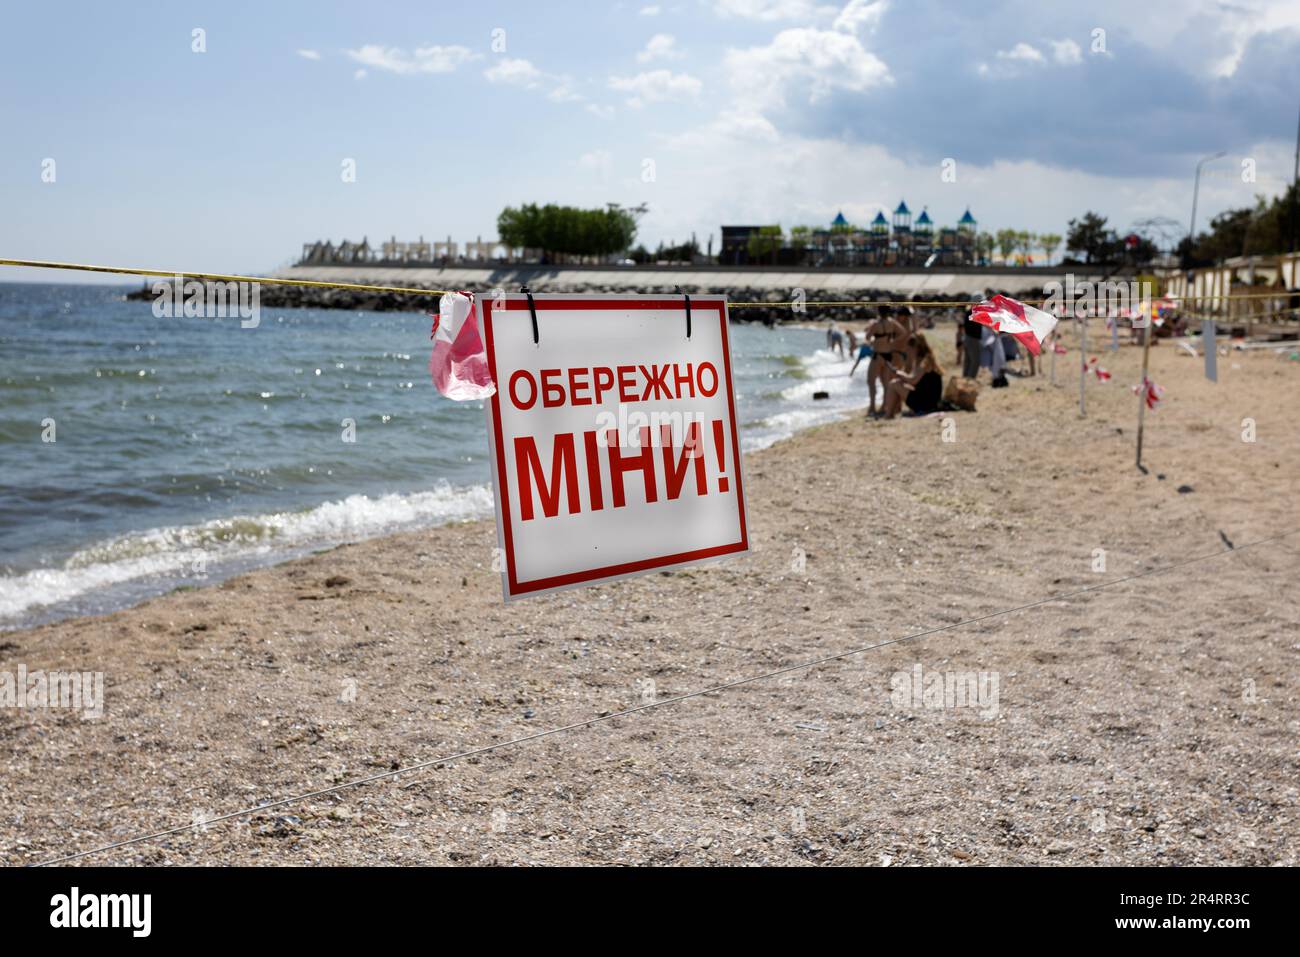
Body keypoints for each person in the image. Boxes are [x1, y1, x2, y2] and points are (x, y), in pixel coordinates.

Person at [884, 334, 944, 418]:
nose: (907, 351)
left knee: (894, 384)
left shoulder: (924, 362)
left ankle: (889, 414)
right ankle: (893, 412)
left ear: (915, 348)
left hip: (926, 404)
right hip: (930, 401)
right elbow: (915, 381)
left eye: (909, 349)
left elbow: (913, 380)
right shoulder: (926, 359)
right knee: (898, 383)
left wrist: (899, 373)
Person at [863, 307, 909, 417]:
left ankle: (873, 406)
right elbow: (903, 332)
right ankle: (884, 405)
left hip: (878, 354)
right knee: (885, 382)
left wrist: (872, 341)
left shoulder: (875, 324)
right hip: (888, 355)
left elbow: (867, 337)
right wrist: (893, 341)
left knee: (871, 381)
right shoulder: (892, 322)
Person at [960, 310, 983, 378]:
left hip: (968, 338)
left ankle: (965, 380)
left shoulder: (969, 313)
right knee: (975, 361)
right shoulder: (974, 313)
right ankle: (970, 381)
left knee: (968, 361)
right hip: (973, 339)